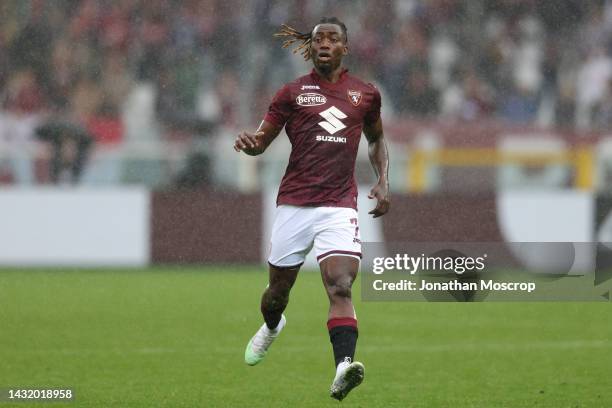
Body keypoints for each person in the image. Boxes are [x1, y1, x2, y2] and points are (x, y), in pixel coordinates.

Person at [234, 17, 389, 401]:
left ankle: (343, 367)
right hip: (295, 206)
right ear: (311, 47)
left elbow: (377, 139)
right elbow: (263, 139)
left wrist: (384, 180)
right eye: (318, 38)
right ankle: (271, 327)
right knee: (276, 295)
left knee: (340, 284)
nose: (324, 43)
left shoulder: (365, 95)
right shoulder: (292, 93)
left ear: (344, 48)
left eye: (332, 38)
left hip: (339, 207)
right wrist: (252, 145)